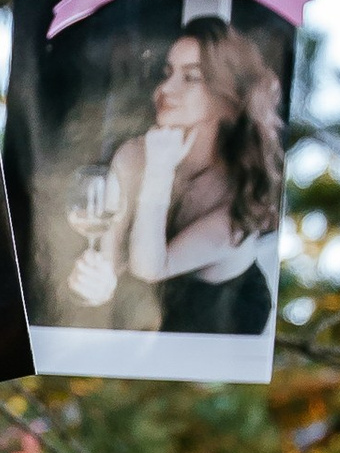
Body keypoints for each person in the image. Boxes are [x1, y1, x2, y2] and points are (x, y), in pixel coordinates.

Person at [88, 21, 286, 336]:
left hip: (221, 316)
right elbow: (108, 255)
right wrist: (98, 279)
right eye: (167, 73)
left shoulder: (244, 187)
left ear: (227, 96)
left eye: (191, 77)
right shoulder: (134, 154)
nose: (165, 89)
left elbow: (150, 267)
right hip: (149, 305)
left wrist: (159, 171)